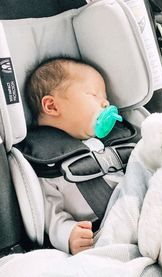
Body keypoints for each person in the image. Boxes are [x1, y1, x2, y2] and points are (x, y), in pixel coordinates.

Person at [25, 57, 122, 255]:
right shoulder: (46, 163)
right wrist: (68, 234)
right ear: (52, 106)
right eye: (94, 95)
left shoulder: (108, 142)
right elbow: (50, 215)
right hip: (103, 230)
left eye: (106, 98)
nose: (106, 103)